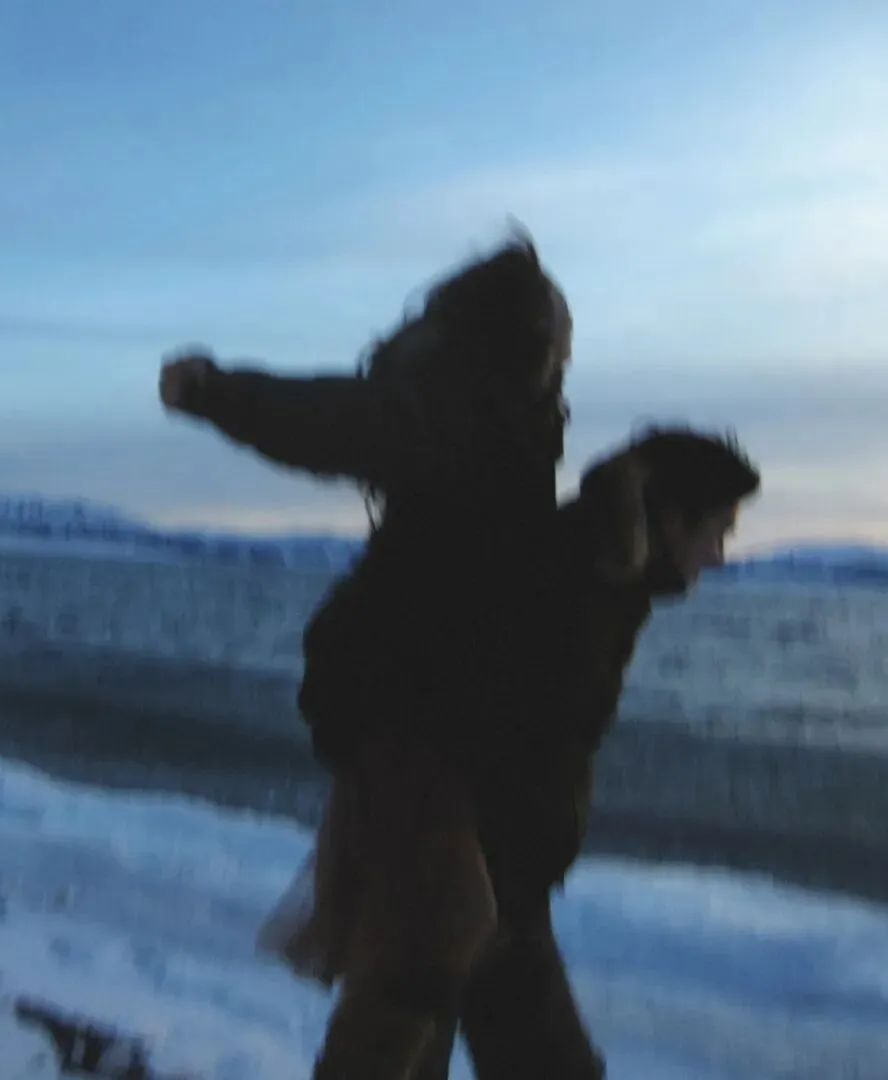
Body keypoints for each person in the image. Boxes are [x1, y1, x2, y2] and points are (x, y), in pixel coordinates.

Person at [158, 236, 760, 1079]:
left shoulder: (536, 477)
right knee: (419, 980)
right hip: (445, 810)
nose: (565, 361)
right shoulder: (472, 430)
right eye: (557, 343)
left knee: (463, 1003)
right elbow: (341, 421)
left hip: (493, 853)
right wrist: (219, 393)